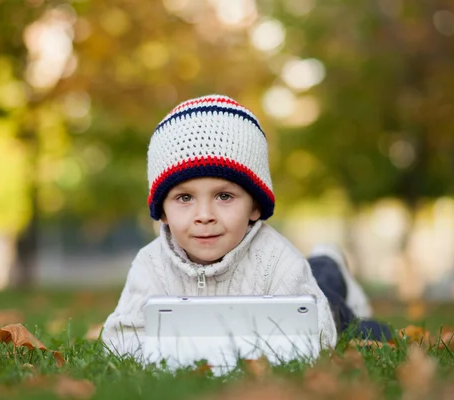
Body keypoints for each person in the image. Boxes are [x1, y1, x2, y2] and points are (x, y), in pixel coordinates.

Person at [102, 94, 391, 359]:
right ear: (162, 211)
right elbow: (119, 338)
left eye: (224, 196)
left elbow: (318, 335)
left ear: (255, 206)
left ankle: (330, 264)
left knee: (344, 314)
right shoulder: (151, 265)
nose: (204, 215)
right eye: (184, 197)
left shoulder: (278, 260)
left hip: (321, 301)